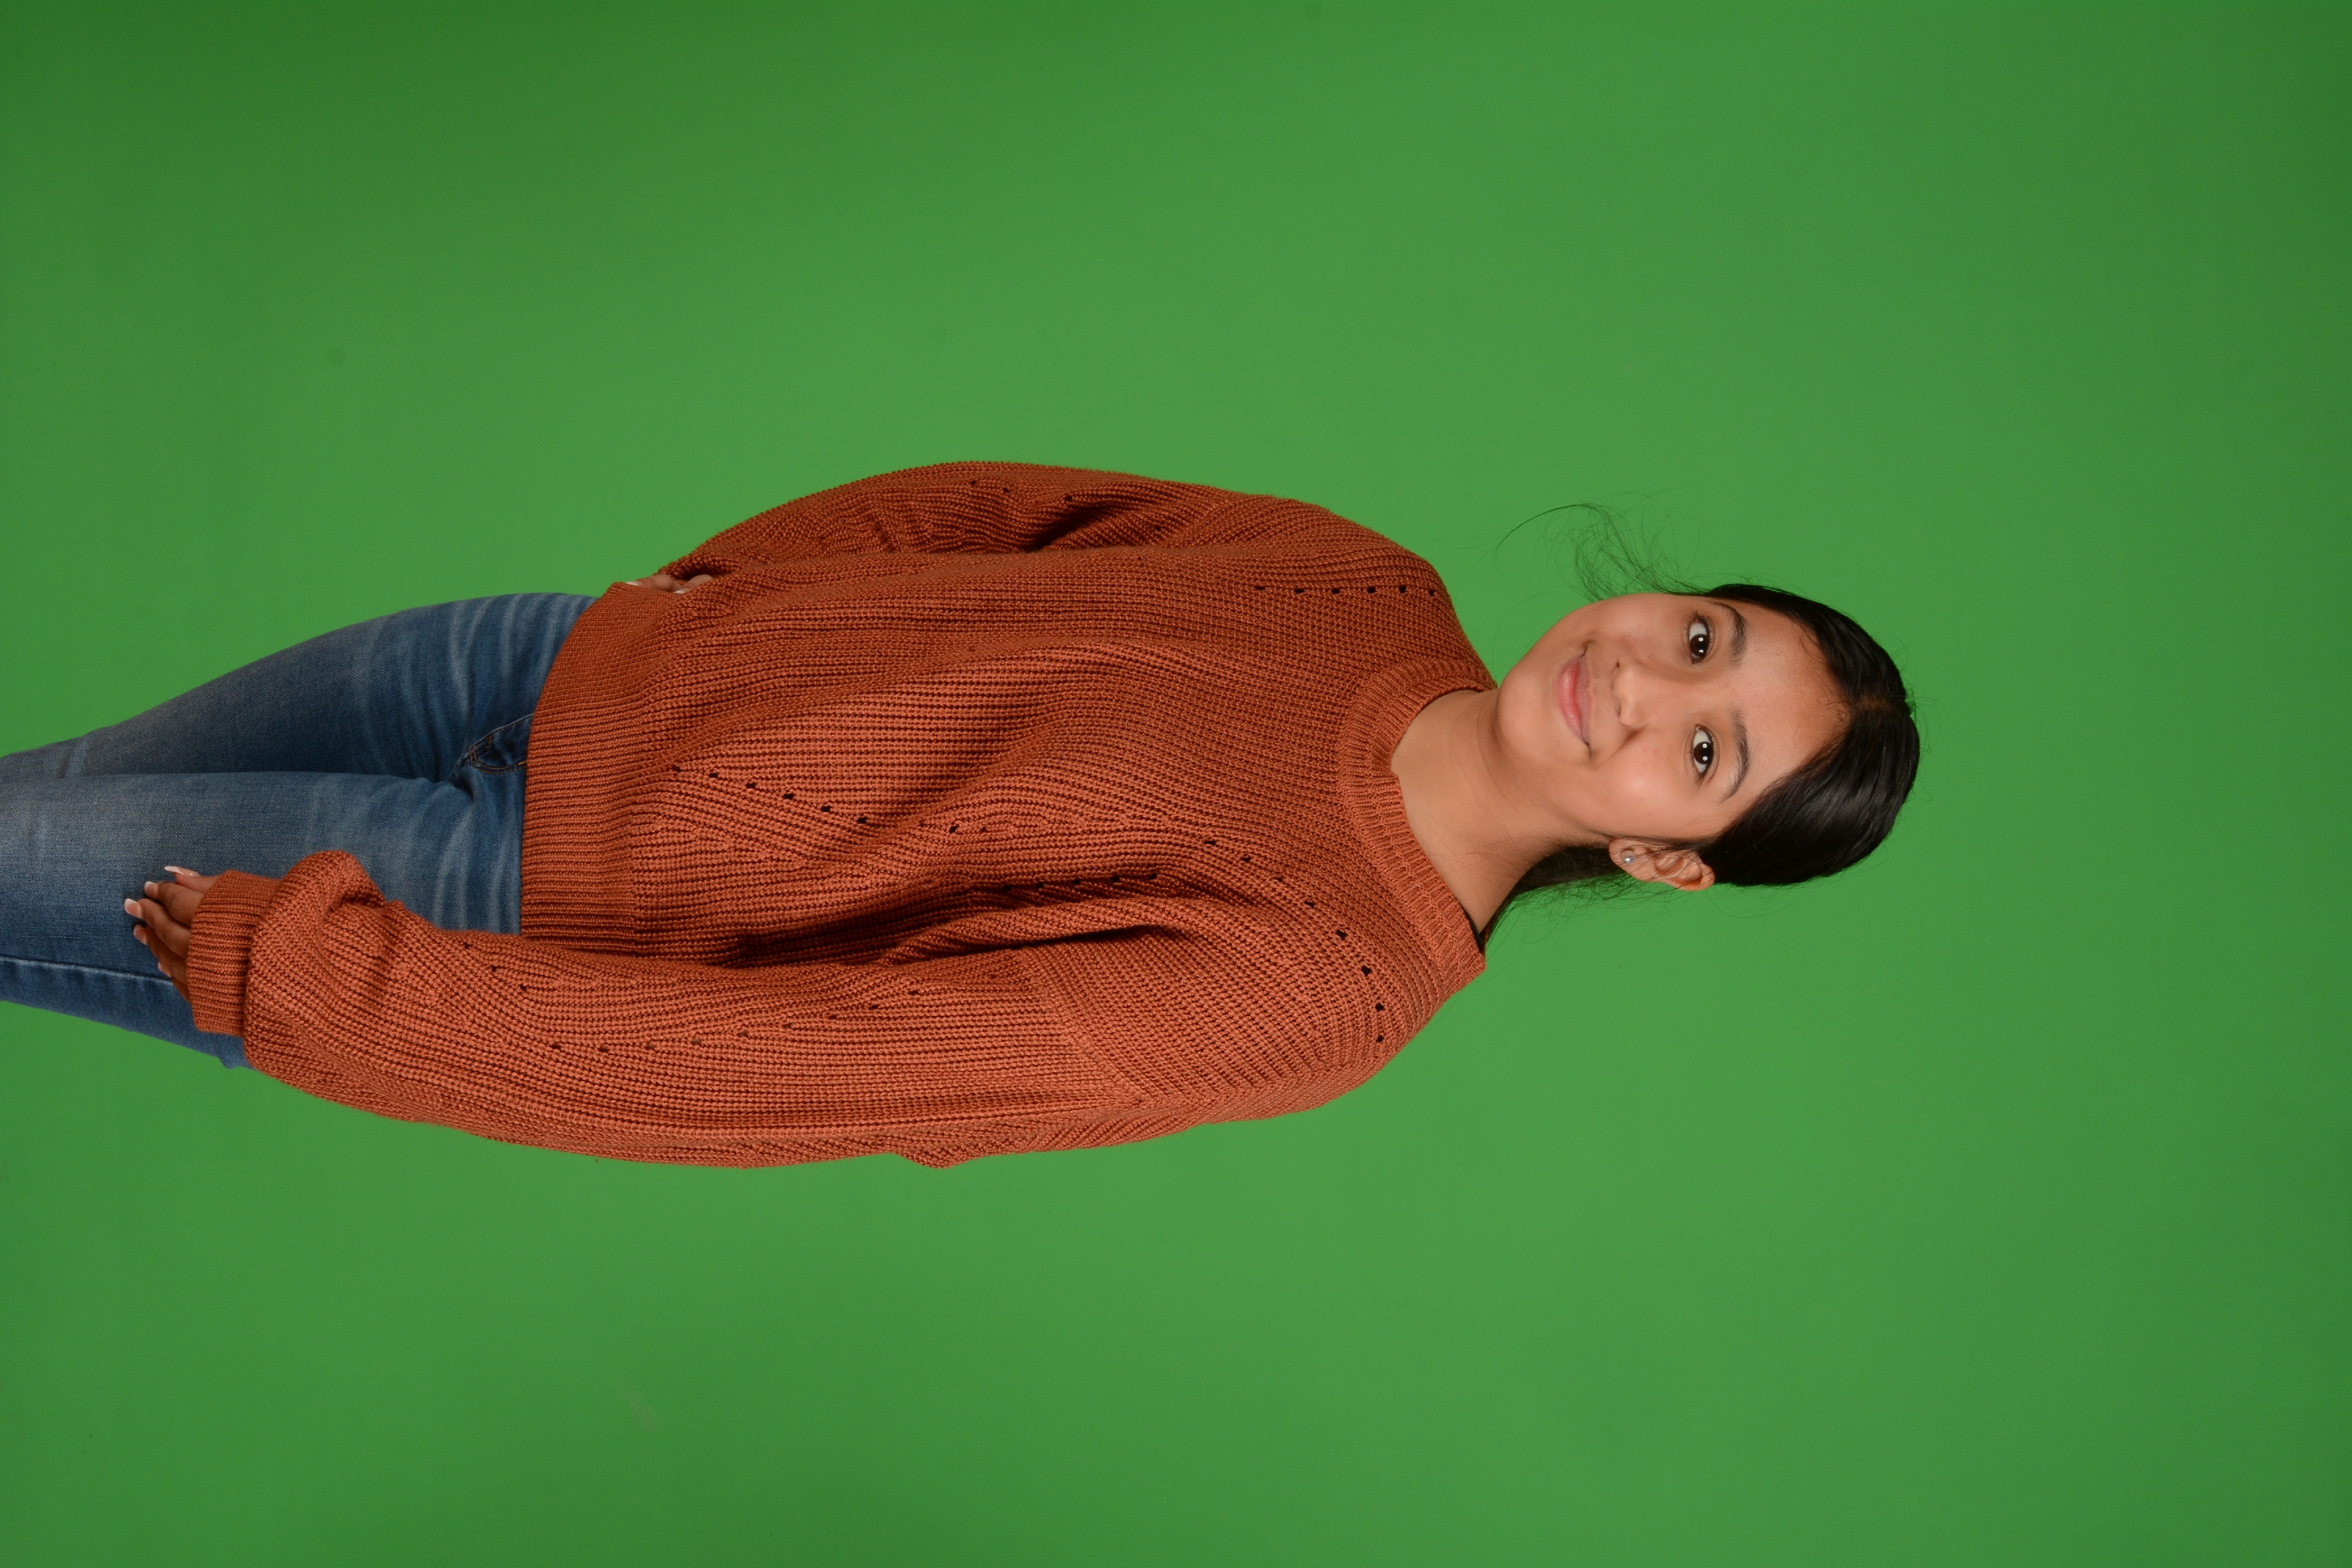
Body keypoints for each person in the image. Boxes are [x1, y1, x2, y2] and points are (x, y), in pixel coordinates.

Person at [0, 463, 1918, 1168]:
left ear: (1663, 859)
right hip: (524, 661)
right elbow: (1001, 513)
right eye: (1699, 637)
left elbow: (812, 1070)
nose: (1639, 686)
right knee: (43, 794)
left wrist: (350, 998)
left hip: (495, 892)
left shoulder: (1324, 991)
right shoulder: (1360, 583)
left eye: (1699, 753)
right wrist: (712, 594)